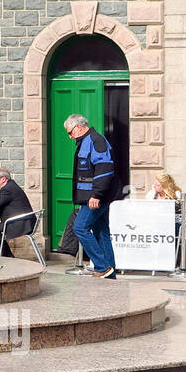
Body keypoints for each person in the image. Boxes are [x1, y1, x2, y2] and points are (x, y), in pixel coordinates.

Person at [65, 113, 119, 278]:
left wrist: (96, 195)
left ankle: (102, 266)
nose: (69, 136)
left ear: (79, 127)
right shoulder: (86, 141)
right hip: (92, 197)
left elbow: (104, 169)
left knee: (79, 227)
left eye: (70, 132)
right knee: (101, 232)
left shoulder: (96, 140)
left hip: (95, 198)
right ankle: (110, 272)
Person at [0, 167, 36, 257]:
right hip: (23, 222)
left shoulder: (7, 189)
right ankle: (7, 256)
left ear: (3, 179)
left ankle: (5, 256)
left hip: (20, 224)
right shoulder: (10, 186)